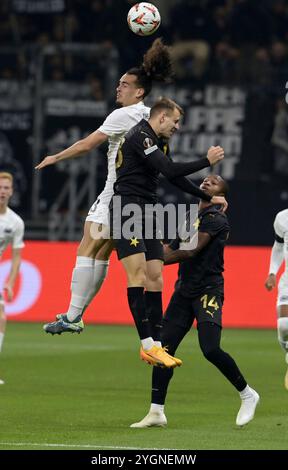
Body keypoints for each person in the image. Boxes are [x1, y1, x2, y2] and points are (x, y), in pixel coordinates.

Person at [35, 39, 174, 335]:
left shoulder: (123, 115)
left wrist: (55, 156)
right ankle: (75, 314)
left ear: (139, 91)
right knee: (100, 252)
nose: (118, 88)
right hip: (140, 198)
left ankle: (74, 315)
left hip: (116, 194)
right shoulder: (153, 118)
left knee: (89, 247)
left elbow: (88, 144)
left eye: (124, 84)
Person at [130, 175, 259, 424]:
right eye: (205, 180)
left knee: (210, 349)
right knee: (163, 350)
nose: (207, 181)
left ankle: (247, 394)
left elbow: (190, 250)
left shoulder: (217, 219)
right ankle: (156, 411)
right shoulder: (190, 217)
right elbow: (171, 248)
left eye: (215, 181)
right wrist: (141, 253)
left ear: (222, 194)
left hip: (208, 290)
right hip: (183, 291)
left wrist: (155, 261)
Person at [109, 99, 227, 368]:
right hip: (127, 207)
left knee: (156, 276)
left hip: (149, 209)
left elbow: (173, 178)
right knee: (137, 274)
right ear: (161, 117)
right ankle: (148, 345)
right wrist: (205, 161)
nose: (176, 127)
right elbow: (171, 170)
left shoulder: (159, 142)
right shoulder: (140, 136)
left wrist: (206, 196)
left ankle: (157, 345)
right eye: (174, 121)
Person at [0, 172, 25, 385]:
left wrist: (10, 281)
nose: (2, 191)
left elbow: (17, 257)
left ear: (11, 191)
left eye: (6, 187)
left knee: (1, 317)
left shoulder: (15, 222)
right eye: (0, 187)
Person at [265, 209, 288, 390]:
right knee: (284, 325)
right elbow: (279, 246)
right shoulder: (282, 217)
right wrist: (272, 272)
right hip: (287, 282)